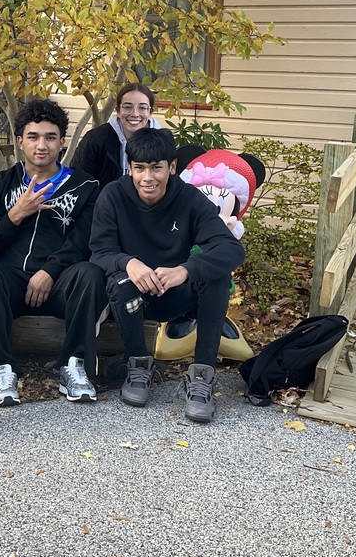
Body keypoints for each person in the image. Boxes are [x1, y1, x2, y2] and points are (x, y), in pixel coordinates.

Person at [89, 129, 244, 423]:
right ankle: (137, 366)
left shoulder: (190, 199)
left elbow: (231, 249)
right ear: (130, 167)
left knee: (217, 276)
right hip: (132, 295)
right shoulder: (113, 196)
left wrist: (186, 270)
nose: (147, 178)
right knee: (120, 280)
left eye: (156, 168)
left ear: (172, 167)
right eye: (139, 168)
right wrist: (128, 262)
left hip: (178, 294)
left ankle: (201, 377)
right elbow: (99, 251)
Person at [0, 99, 108, 407]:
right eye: (33, 137)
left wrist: (50, 271)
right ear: (20, 141)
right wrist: (15, 214)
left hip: (60, 283)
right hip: (11, 282)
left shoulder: (85, 186)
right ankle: (1, 370)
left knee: (90, 273)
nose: (41, 145)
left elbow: (83, 240)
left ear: (62, 142)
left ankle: (73, 365)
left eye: (50, 137)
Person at [70, 82, 162, 186]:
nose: (135, 114)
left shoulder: (163, 143)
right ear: (118, 111)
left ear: (150, 112)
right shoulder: (95, 140)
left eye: (142, 108)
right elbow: (78, 184)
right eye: (128, 107)